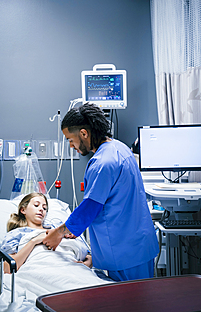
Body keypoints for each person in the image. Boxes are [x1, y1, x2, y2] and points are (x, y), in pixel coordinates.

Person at [43, 103, 159, 282]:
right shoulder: (120, 149)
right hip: (139, 245)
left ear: (83, 133)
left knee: (132, 303)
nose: (72, 146)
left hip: (124, 252)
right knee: (143, 300)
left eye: (70, 140)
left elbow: (91, 206)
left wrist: (58, 233)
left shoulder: (103, 163)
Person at [1, 192, 92, 273]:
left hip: (73, 267)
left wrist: (88, 262)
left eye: (44, 208)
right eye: (36, 205)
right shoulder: (17, 233)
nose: (41, 210)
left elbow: (85, 252)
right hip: (42, 268)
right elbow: (7, 268)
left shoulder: (59, 229)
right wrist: (34, 241)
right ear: (23, 210)